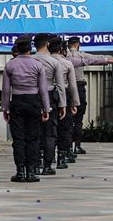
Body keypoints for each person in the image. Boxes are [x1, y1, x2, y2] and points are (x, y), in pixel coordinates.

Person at [67, 36, 113, 155]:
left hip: (67, 89)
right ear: (78, 45)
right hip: (79, 87)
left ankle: (67, 147)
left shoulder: (64, 57)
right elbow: (96, 58)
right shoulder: (81, 55)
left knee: (67, 119)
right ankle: (77, 145)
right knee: (78, 119)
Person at [2, 35, 51, 182]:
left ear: (18, 49)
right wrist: (46, 109)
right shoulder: (37, 65)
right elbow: (43, 89)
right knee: (33, 138)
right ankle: (31, 171)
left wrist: (5, 108)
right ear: (30, 49)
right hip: (33, 102)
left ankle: (20, 171)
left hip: (16, 102)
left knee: (18, 139)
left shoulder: (10, 65)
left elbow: (5, 89)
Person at [32, 33, 67, 172]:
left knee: (34, 132)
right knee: (49, 133)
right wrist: (62, 105)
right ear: (47, 44)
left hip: (33, 97)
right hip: (50, 98)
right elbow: (60, 85)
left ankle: (35, 164)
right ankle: (47, 165)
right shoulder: (54, 62)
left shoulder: (31, 60)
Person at [49, 37, 80, 172]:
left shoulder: (41, 61)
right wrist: (75, 103)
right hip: (65, 95)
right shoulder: (67, 63)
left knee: (49, 127)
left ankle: (48, 156)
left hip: (47, 95)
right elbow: (73, 86)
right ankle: (62, 157)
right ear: (62, 49)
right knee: (65, 127)